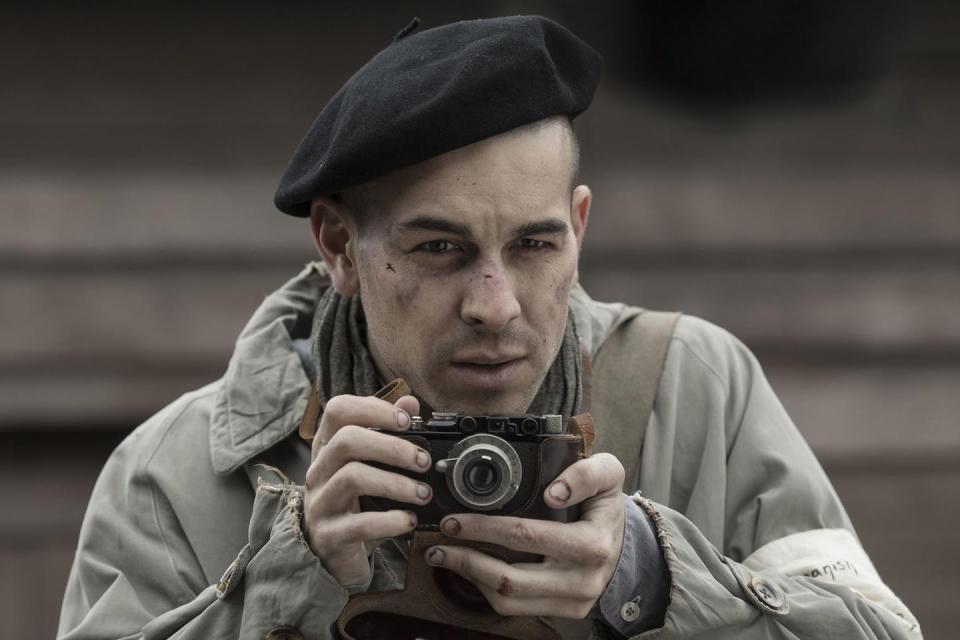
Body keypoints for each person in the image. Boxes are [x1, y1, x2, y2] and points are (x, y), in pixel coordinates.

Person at [58, 15, 921, 640]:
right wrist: (295, 580)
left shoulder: (691, 389)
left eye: (535, 245)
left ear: (579, 227)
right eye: (440, 248)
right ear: (339, 246)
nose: (496, 304)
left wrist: (652, 577)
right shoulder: (176, 475)